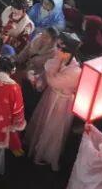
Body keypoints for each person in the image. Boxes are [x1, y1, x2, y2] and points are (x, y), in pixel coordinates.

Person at [26, 32, 83, 171]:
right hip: (51, 96)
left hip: (62, 102)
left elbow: (53, 81)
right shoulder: (60, 59)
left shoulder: (75, 71)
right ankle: (34, 146)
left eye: (59, 47)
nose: (56, 49)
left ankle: (46, 154)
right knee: (42, 121)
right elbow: (48, 76)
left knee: (53, 129)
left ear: (67, 52)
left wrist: (52, 65)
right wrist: (37, 79)